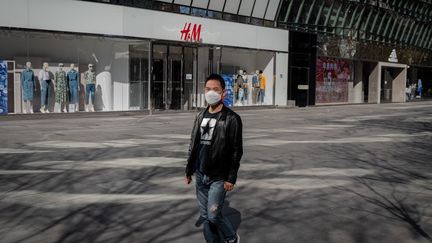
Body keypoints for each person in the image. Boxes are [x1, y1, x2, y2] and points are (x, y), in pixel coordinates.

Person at [185, 74, 242, 243]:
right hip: (201, 174)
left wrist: (231, 177)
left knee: (213, 215)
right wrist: (189, 169)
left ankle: (231, 237)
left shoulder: (232, 119)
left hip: (219, 176)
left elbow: (236, 150)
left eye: (215, 89)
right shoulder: (200, 116)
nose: (211, 92)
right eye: (208, 89)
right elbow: (193, 144)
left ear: (223, 92)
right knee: (205, 215)